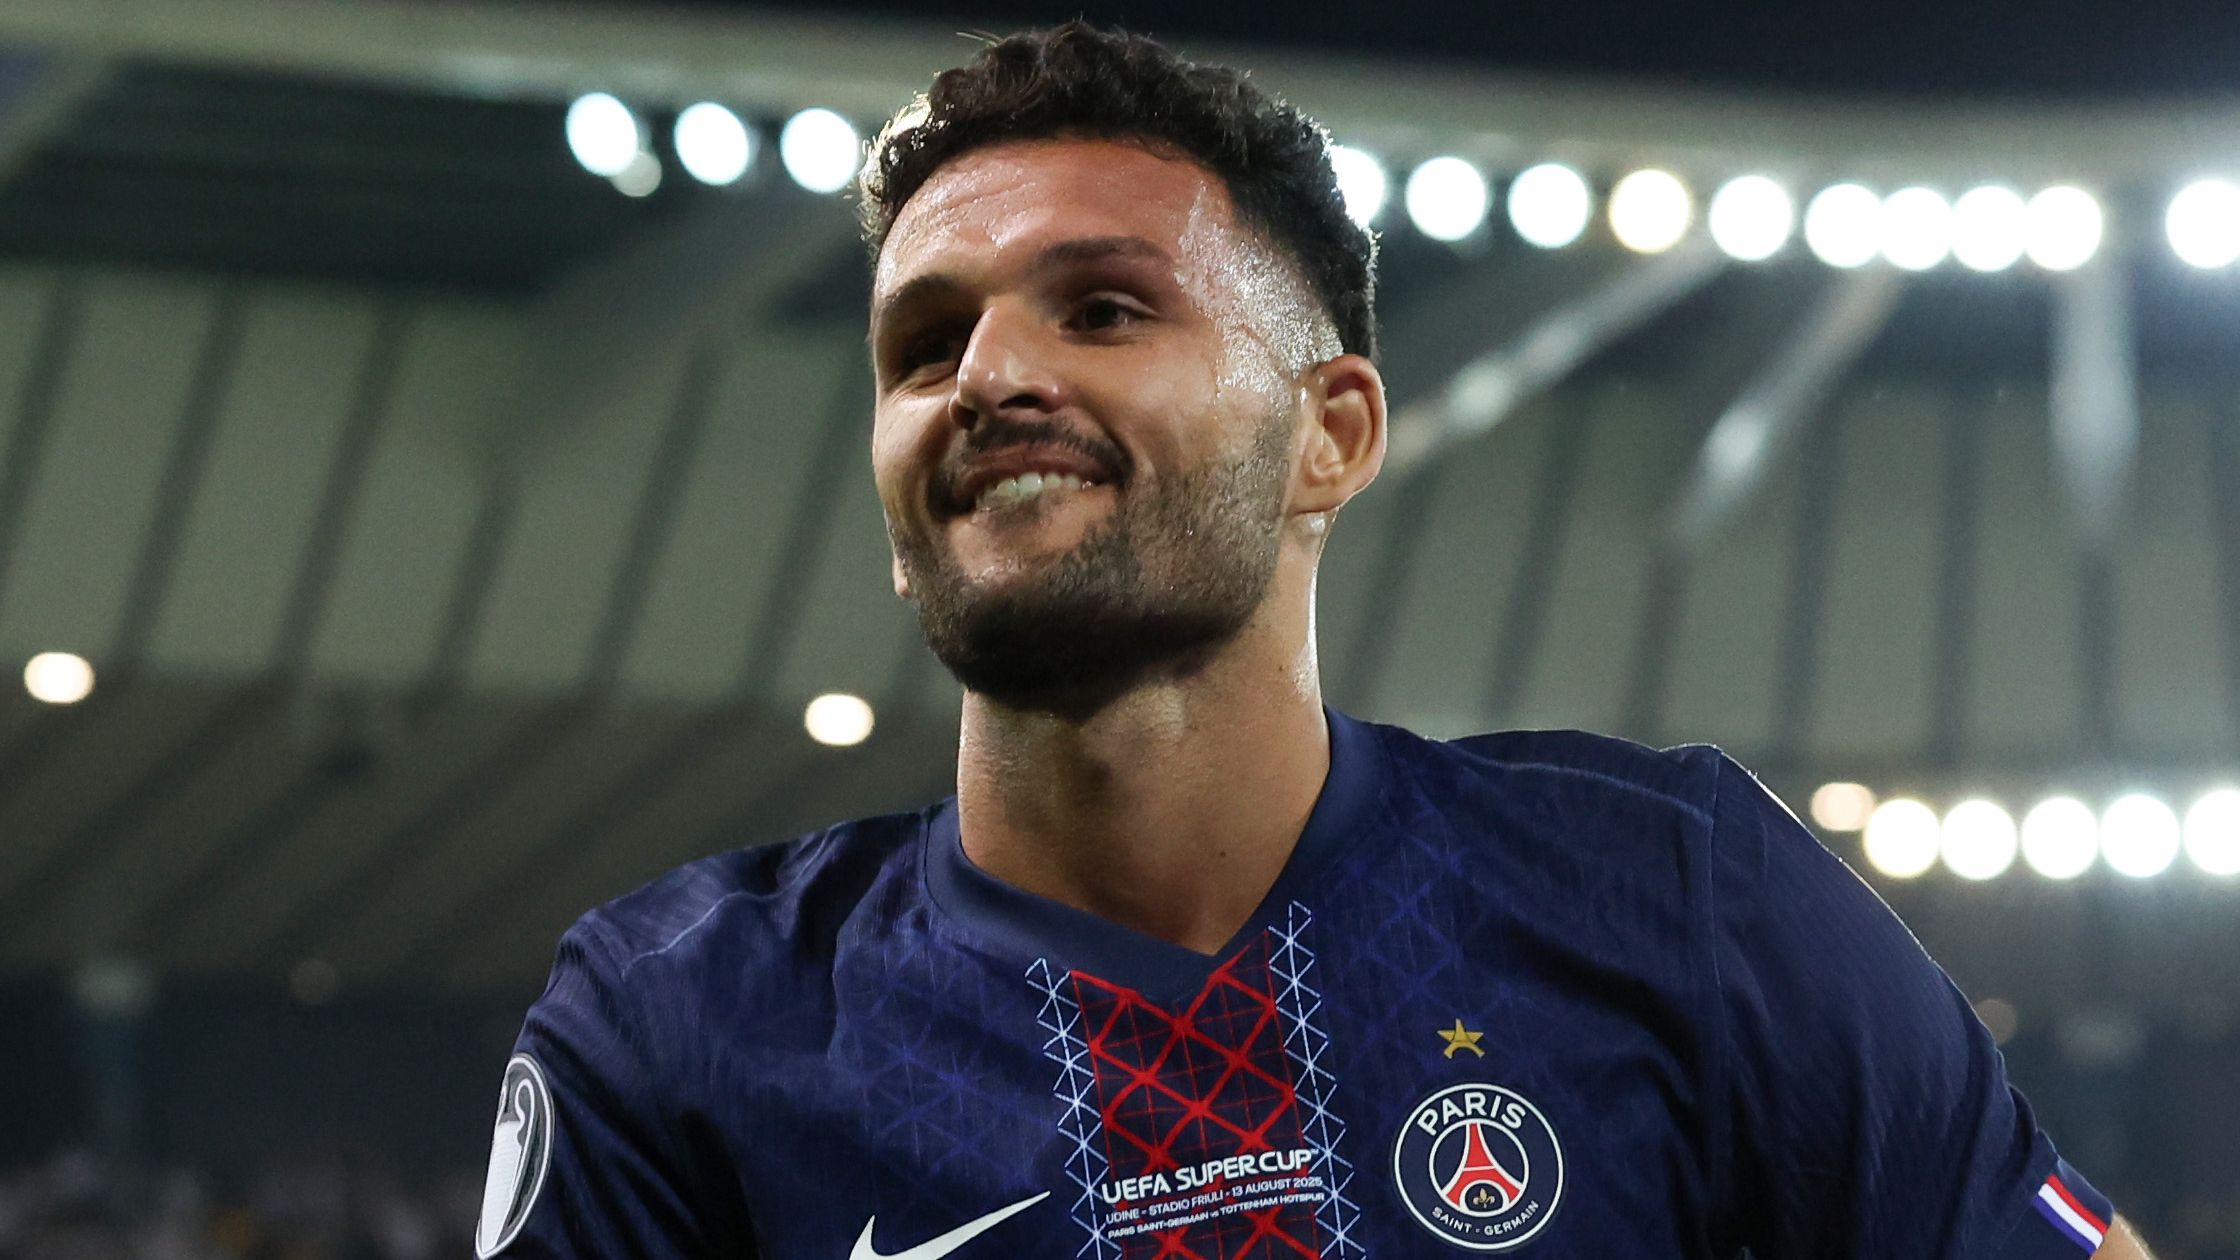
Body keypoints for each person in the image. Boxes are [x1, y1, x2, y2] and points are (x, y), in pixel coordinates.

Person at [476, 21, 2155, 1260]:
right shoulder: (682, 1023)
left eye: (1103, 308)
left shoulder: (1675, 898)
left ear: (1330, 433)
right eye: (924, 344)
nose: (984, 377)